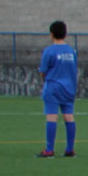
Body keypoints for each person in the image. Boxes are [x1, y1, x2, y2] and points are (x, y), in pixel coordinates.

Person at [37, 20, 76, 157]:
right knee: (69, 117)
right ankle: (69, 149)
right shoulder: (71, 51)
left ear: (51, 34)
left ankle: (49, 150)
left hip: (53, 87)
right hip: (69, 88)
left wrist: (44, 78)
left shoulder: (49, 51)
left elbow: (43, 71)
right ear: (65, 34)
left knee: (52, 117)